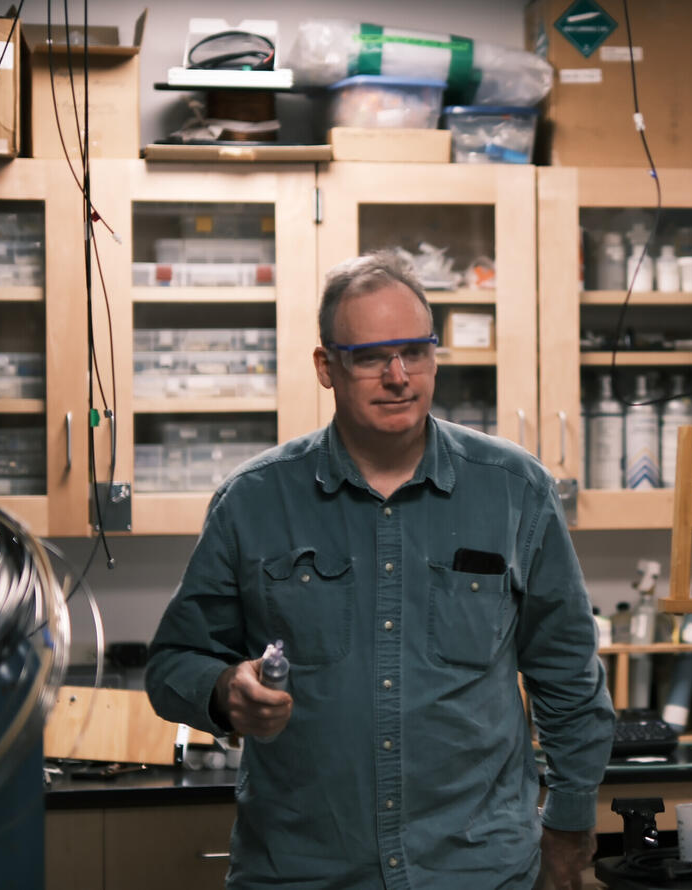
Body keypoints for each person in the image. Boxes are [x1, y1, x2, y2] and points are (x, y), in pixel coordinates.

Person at [146, 249, 615, 889]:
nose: (399, 377)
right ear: (327, 367)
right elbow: (172, 664)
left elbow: (567, 674)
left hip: (478, 871)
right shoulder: (253, 501)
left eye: (415, 351)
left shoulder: (515, 491)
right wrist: (225, 690)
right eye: (370, 357)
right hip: (304, 872)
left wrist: (569, 825)